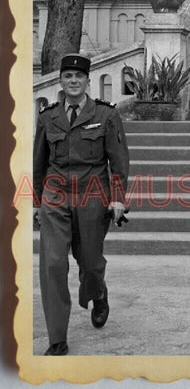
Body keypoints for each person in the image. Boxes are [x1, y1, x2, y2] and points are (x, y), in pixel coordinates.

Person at [33, 53, 129, 355]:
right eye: (67, 77)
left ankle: (98, 293)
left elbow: (119, 161)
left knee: (90, 262)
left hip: (92, 194)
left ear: (88, 81)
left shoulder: (107, 115)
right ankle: (57, 339)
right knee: (52, 264)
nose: (73, 81)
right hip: (56, 194)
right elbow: (39, 162)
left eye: (78, 77)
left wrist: (117, 198)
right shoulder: (48, 117)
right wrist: (37, 201)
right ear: (60, 81)